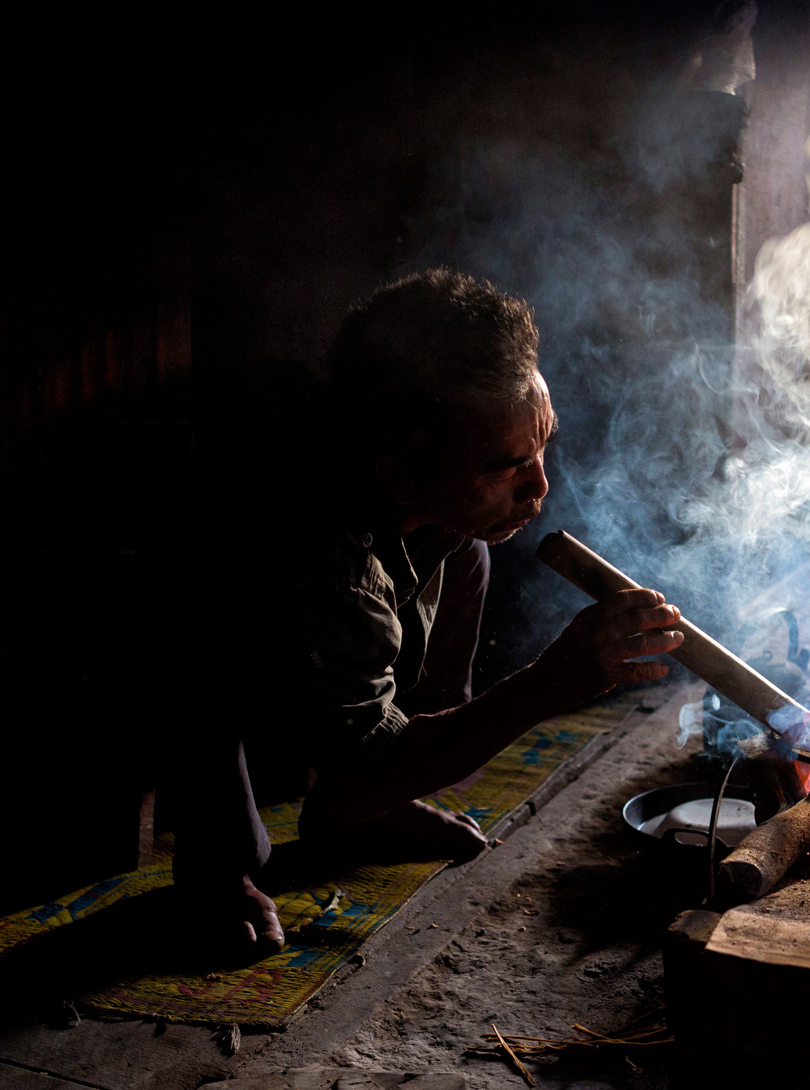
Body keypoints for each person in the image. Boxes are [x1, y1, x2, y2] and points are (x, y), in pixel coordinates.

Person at [171, 268, 684, 956]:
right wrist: (548, 685)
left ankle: (365, 804)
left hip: (337, 600)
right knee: (198, 682)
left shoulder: (420, 495)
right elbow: (352, 770)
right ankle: (212, 864)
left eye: (543, 447)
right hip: (165, 628)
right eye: (508, 464)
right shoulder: (325, 568)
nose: (540, 485)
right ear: (402, 474)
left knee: (466, 550)